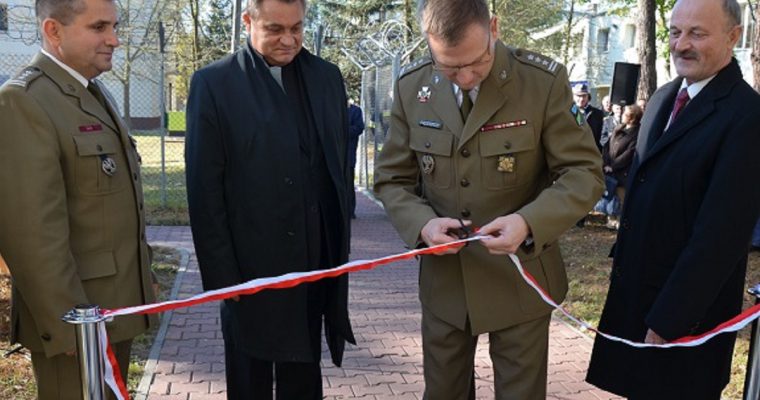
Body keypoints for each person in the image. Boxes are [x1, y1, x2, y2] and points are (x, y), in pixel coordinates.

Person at [373, 0, 603, 398]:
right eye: (448, 66)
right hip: (446, 284)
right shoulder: (413, 87)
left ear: (493, 27)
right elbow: (393, 180)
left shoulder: (541, 82)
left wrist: (530, 222)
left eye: (475, 62)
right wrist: (422, 224)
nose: (464, 77)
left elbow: (583, 173)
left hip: (522, 278)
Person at [586, 0, 760, 398]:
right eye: (675, 32)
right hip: (636, 303)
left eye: (697, 33)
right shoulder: (664, 98)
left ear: (734, 37)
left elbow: (720, 237)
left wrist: (669, 321)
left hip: (685, 321)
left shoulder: (747, 116)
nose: (682, 44)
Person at [184, 0, 355, 398]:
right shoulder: (214, 84)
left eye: (297, 28)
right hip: (249, 268)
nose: (289, 39)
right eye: (276, 29)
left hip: (314, 262)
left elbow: (335, 168)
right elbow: (203, 188)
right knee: (250, 377)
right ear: (248, 20)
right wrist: (222, 279)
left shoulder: (326, 77)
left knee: (303, 374)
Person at [0, 0, 157, 398]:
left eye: (115, 26)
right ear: (54, 31)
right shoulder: (26, 101)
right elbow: (31, 233)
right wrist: (69, 324)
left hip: (110, 311)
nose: (115, 39)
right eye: (99, 27)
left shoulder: (87, 91)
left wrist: (143, 280)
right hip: (77, 326)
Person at [599, 104, 642, 229]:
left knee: (621, 198)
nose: (622, 114)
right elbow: (607, 146)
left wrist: (613, 166)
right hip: (609, 169)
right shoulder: (619, 128)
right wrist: (606, 163)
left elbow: (629, 153)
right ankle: (610, 219)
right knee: (610, 194)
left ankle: (620, 221)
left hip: (622, 172)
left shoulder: (636, 133)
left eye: (625, 113)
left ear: (632, 117)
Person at [573, 83, 604, 153]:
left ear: (588, 97)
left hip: (590, 151)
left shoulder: (597, 113)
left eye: (584, 96)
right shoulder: (568, 111)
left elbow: (600, 135)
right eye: (578, 96)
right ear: (573, 97)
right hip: (572, 152)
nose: (581, 99)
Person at [348, 100, 365, 218]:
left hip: (348, 154)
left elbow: (359, 127)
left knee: (348, 183)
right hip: (334, 155)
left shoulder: (355, 111)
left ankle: (349, 211)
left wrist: (341, 131)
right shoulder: (332, 110)